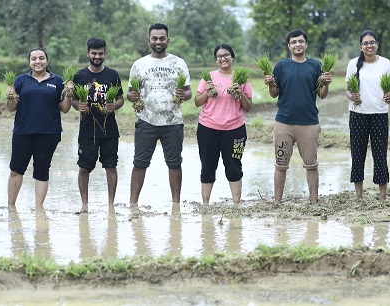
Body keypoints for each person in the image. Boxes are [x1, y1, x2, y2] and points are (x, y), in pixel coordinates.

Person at [263, 29, 332, 204]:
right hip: (283, 123)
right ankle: (277, 202)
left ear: (306, 44)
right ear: (289, 46)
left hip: (309, 123)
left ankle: (314, 202)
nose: (297, 44)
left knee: (311, 165)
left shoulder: (315, 66)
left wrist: (326, 84)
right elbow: (274, 93)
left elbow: (322, 94)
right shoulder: (281, 66)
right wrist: (271, 84)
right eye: (293, 42)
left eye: (301, 41)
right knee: (280, 165)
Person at [126, 23, 191, 205]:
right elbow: (131, 93)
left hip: (173, 122)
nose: (158, 41)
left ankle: (176, 204)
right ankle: (133, 203)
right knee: (139, 162)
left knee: (174, 163)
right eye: (154, 38)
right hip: (146, 121)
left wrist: (182, 95)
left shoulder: (178, 63)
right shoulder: (139, 64)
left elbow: (188, 92)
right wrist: (131, 96)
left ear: (168, 40)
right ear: (149, 40)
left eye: (162, 38)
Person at [6, 47, 73, 207]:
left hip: (49, 133)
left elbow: (65, 109)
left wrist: (69, 93)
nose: (38, 61)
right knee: (16, 170)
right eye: (34, 58)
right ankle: (11, 207)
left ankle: (39, 209)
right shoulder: (21, 80)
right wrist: (10, 96)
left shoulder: (57, 81)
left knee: (42, 171)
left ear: (47, 61)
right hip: (23, 132)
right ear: (29, 62)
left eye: (41, 58)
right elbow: (11, 108)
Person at [194, 44, 253, 205]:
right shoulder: (209, 77)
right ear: (216, 60)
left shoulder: (242, 79)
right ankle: (205, 204)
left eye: (226, 55)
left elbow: (248, 107)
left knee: (234, 165)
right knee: (207, 165)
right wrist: (208, 90)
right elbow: (197, 102)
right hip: (208, 128)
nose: (223, 58)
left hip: (235, 130)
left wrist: (240, 93)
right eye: (219, 56)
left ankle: (236, 204)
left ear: (232, 57)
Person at [72, 37, 124, 212]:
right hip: (87, 130)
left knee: (111, 166)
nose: (97, 56)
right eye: (94, 53)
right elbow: (72, 99)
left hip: (109, 130)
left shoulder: (112, 75)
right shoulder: (79, 76)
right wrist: (77, 105)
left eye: (100, 53)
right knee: (84, 167)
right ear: (88, 53)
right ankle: (85, 204)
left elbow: (120, 99)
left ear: (105, 54)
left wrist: (113, 106)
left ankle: (111, 205)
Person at [345, 30, 390, 200]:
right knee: (358, 154)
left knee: (380, 154)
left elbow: (389, 89)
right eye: (365, 43)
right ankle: (359, 196)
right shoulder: (353, 64)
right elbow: (347, 91)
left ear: (377, 44)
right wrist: (351, 96)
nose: (369, 46)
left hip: (380, 113)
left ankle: (382, 197)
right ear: (361, 47)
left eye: (372, 42)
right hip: (358, 114)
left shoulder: (385, 63)